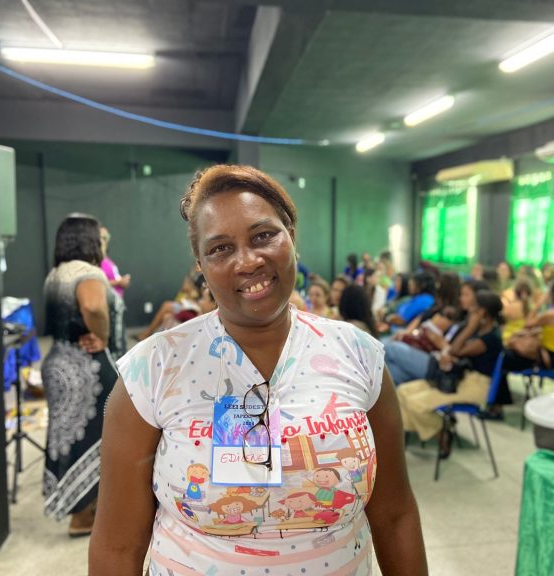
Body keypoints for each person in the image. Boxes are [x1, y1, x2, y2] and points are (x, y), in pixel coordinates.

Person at [89, 165, 428, 575]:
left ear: (292, 238)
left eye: (263, 236)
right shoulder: (155, 368)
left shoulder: (358, 354)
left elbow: (395, 514)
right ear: (200, 266)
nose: (248, 261)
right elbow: (117, 545)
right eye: (220, 248)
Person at [40, 214, 123, 536]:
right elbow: (93, 307)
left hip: (58, 362)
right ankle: (84, 515)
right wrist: (101, 335)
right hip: (87, 367)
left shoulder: (55, 274)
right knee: (102, 437)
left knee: (70, 440)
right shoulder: (88, 273)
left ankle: (80, 510)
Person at [396, 291, 503, 455]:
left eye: (473, 308)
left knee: (416, 404)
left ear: (482, 312)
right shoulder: (479, 332)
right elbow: (454, 351)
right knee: (402, 392)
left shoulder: (491, 338)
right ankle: (440, 427)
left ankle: (442, 433)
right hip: (459, 379)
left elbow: (456, 350)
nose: (469, 311)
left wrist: (470, 326)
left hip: (475, 386)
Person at [99, 227, 131, 299]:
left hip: (115, 301)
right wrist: (118, 282)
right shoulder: (95, 261)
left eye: (107, 238)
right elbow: (97, 283)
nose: (105, 241)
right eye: (103, 237)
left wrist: (122, 281)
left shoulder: (108, 260)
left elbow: (114, 278)